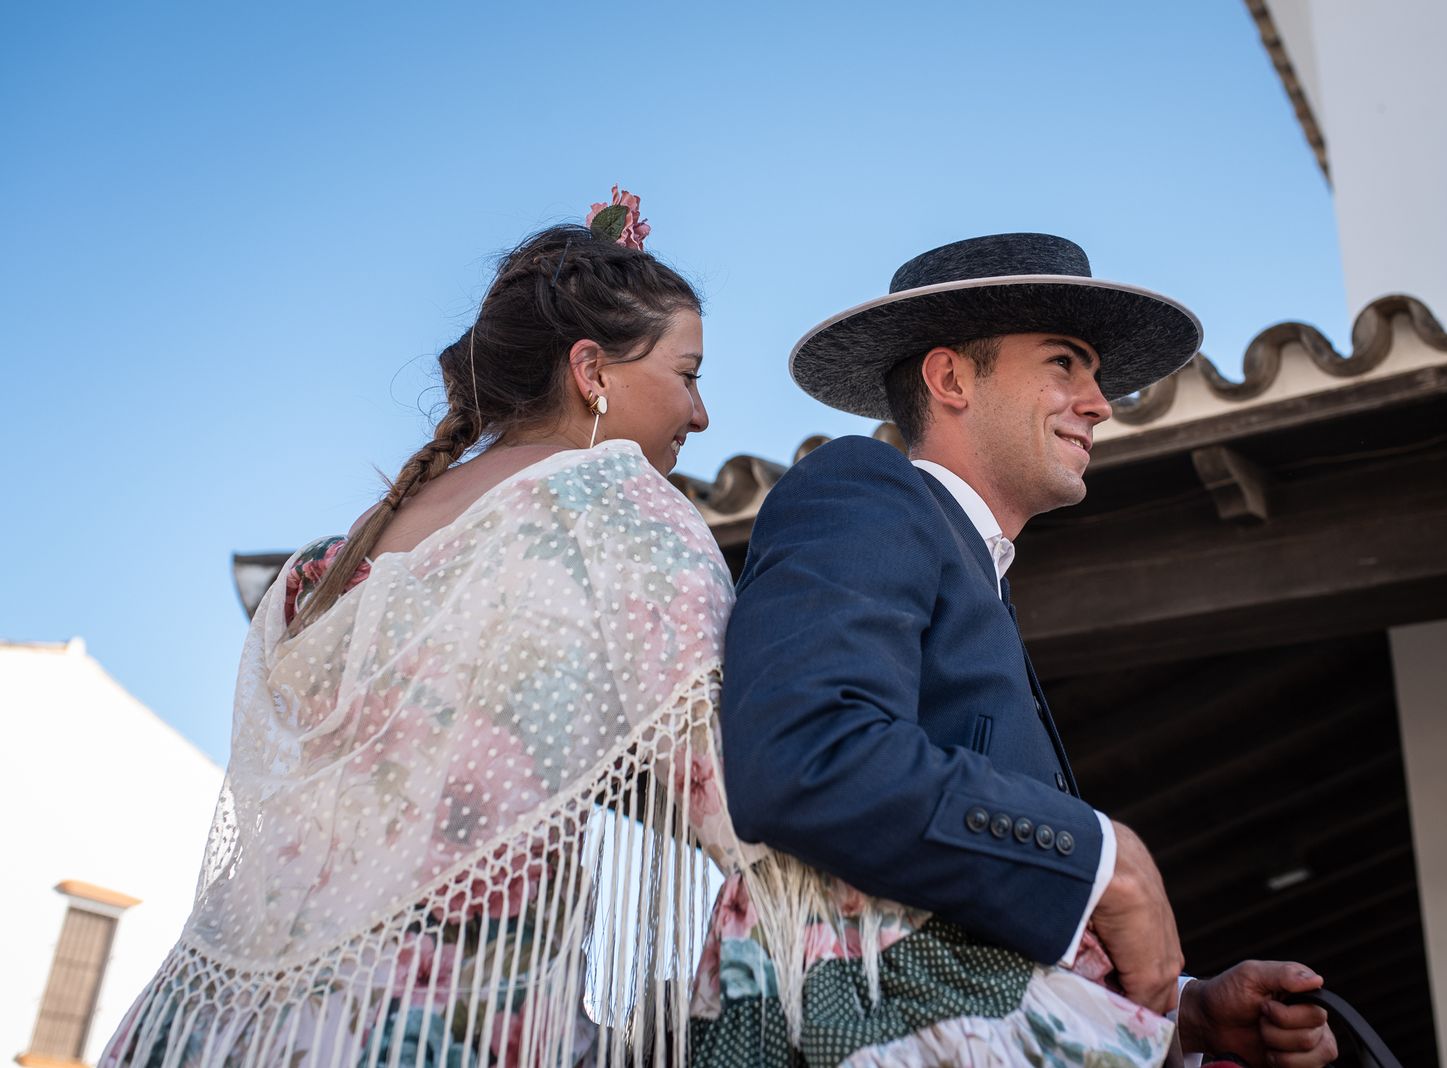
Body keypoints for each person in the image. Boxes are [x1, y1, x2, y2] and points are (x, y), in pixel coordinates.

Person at [100, 195, 745, 1068]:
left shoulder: (326, 567)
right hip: (422, 1020)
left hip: (199, 1024)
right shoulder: (618, 508)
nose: (700, 415)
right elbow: (731, 784)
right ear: (591, 370)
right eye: (688, 374)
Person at [693, 233, 1339, 1067]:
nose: (1100, 403)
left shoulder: (980, 576)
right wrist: (1103, 858)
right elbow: (804, 751)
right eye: (1065, 363)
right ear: (950, 379)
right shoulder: (865, 487)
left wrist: (1188, 1017)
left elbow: (969, 919)